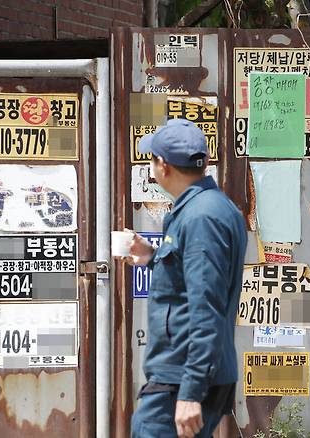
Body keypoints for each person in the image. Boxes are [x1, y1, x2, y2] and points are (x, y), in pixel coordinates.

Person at [123, 118, 247, 438]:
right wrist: (151, 256)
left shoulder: (201, 216)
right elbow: (191, 282)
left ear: (162, 166)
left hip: (182, 376)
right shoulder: (208, 209)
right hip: (190, 372)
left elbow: (206, 308)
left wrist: (190, 391)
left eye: (151, 158)